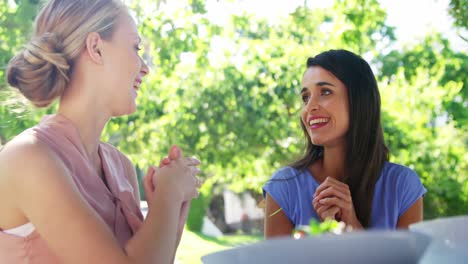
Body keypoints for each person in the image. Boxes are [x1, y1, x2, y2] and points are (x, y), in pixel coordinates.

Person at [0, 0, 202, 263]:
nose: (145, 67)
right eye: (135, 47)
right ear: (96, 48)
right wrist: (168, 196)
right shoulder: (28, 158)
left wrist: (174, 203)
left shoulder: (123, 168)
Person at [263, 49, 426, 238]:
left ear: (359, 101)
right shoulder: (283, 188)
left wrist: (352, 225)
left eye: (325, 92)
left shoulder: (403, 186)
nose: (309, 107)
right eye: (306, 97)